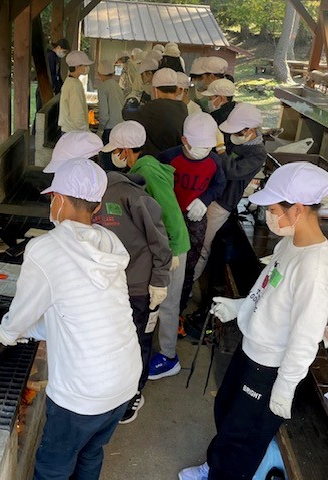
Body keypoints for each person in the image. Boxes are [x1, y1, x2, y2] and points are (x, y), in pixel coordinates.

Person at [179, 162, 328, 480]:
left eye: (273, 208)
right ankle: (215, 466)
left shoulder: (316, 268)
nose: (268, 214)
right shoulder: (289, 244)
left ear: (298, 209)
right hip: (251, 352)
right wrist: (240, 308)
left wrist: (285, 385)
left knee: (243, 438)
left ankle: (224, 474)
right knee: (226, 411)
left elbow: (306, 335)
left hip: (269, 369)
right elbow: (268, 290)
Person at [0, 158, 141, 480]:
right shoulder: (109, 243)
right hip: (125, 379)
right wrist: (32, 331)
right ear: (98, 204)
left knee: (53, 465)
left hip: (82, 391)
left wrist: (6, 334)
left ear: (58, 199)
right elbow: (78, 311)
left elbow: (21, 313)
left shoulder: (46, 249)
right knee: (90, 452)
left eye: (52, 199)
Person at [94, 122, 173, 423]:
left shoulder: (132, 196)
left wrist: (160, 280)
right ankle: (114, 387)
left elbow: (160, 241)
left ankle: (133, 393)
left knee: (138, 338)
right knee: (114, 338)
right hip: (110, 284)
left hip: (138, 286)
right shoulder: (90, 195)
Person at [101, 120, 190, 381]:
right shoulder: (143, 166)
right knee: (162, 302)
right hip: (168, 243)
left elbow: (169, 212)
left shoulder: (147, 172)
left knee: (167, 303)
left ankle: (169, 357)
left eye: (115, 151)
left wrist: (171, 251)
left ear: (125, 150)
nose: (113, 156)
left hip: (174, 245)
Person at [151, 113, 226, 378]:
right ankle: (162, 318)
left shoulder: (214, 161)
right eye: (198, 147)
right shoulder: (169, 157)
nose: (203, 152)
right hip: (168, 220)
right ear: (184, 141)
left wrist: (204, 200)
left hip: (195, 220)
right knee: (163, 272)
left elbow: (220, 185)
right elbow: (154, 183)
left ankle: (177, 311)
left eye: (208, 147)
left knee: (187, 270)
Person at [191, 103, 267, 285]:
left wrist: (221, 149)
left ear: (251, 130)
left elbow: (233, 171)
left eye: (238, 132)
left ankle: (188, 285)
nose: (233, 136)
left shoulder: (257, 153)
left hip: (222, 202)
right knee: (193, 240)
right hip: (209, 194)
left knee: (202, 245)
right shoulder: (237, 140)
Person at [122, 68, 188, 157]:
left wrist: (131, 100)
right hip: (175, 158)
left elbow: (127, 113)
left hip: (157, 161)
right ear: (176, 88)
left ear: (155, 89)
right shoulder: (183, 107)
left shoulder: (154, 107)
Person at [58, 50, 93, 133]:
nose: (87, 67)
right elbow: (77, 113)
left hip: (70, 130)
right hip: (73, 132)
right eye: (85, 65)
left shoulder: (72, 81)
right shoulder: (74, 85)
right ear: (77, 67)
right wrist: (86, 131)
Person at [96, 60, 125, 150]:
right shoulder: (117, 86)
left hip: (109, 129)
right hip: (120, 127)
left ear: (99, 73)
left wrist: (100, 131)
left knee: (106, 158)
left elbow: (104, 115)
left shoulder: (103, 87)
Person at [202, 78, 237, 152]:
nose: (209, 101)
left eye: (210, 98)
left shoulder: (219, 116)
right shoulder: (236, 111)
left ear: (221, 98)